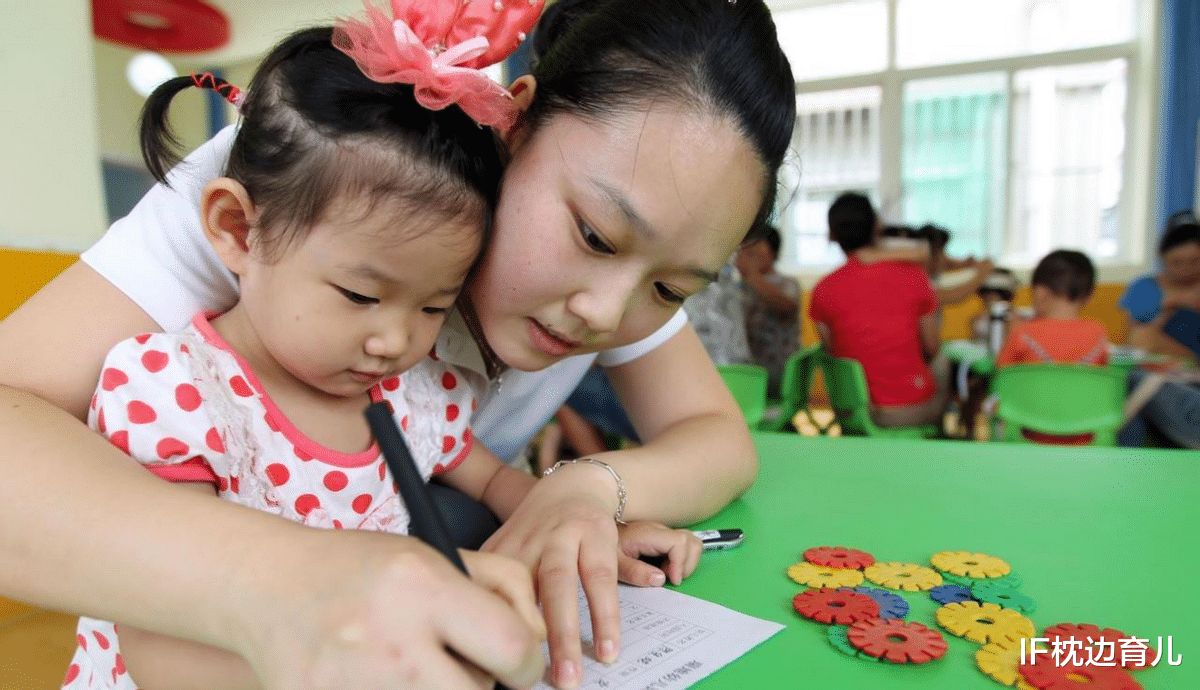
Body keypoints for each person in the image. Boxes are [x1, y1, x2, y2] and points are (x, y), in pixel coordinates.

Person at [0, 0, 797, 687]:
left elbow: (719, 440)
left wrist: (581, 489)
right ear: (513, 124)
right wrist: (290, 587)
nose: (605, 312)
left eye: (671, 289)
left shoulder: (631, 257)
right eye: (592, 233)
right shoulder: (323, 179)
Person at [809, 192, 948, 428]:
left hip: (852, 411)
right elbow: (931, 348)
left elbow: (832, 351)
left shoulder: (822, 291)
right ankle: (937, 438)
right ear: (877, 228)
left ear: (832, 235)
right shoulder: (914, 277)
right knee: (943, 361)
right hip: (907, 412)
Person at [1117, 216, 1200, 449]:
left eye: (1195, 261)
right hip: (1160, 379)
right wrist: (1168, 305)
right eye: (1177, 263)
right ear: (1162, 260)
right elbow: (1134, 345)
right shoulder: (1144, 288)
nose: (1186, 270)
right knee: (1133, 379)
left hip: (1186, 383)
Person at [994, 250, 1109, 367]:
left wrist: (1012, 331)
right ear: (1089, 296)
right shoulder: (1098, 334)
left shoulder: (1022, 333)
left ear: (1040, 293)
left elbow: (1000, 376)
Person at [735, 225, 800, 397]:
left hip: (777, 373)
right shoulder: (737, 288)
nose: (748, 255)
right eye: (746, 250)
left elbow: (787, 307)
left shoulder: (788, 284)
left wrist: (750, 275)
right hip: (746, 368)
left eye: (755, 250)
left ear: (774, 253)